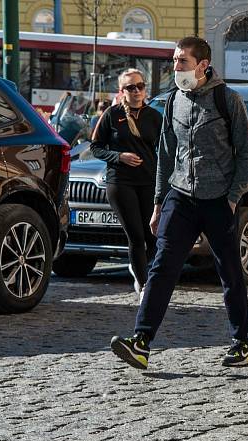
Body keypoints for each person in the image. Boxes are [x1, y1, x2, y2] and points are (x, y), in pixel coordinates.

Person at [110, 36, 248, 370]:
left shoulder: (226, 99)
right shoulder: (174, 99)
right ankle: (141, 342)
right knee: (161, 267)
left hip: (218, 199)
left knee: (229, 271)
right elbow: (165, 155)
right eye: (174, 61)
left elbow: (245, 152)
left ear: (202, 65)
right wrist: (160, 202)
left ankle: (241, 343)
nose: (176, 67)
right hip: (180, 195)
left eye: (182, 62)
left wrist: (233, 199)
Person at [90, 69, 161, 296]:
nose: (137, 91)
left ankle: (139, 267)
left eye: (140, 86)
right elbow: (95, 147)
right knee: (136, 236)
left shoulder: (154, 116)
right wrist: (119, 157)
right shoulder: (112, 115)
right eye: (131, 87)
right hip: (121, 183)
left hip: (149, 182)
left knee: (152, 236)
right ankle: (144, 286)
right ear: (122, 91)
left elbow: (166, 150)